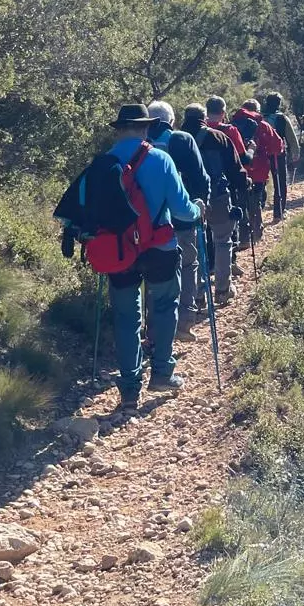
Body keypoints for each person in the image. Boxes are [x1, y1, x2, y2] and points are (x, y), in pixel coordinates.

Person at [62, 103, 201, 411]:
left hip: (118, 251)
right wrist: (198, 209)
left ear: (120, 129)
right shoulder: (160, 159)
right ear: (146, 127)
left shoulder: (102, 163)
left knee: (127, 317)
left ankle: (128, 388)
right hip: (159, 248)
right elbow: (181, 209)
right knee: (164, 305)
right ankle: (162, 371)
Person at [147, 101, 211, 340]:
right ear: (171, 121)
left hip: (150, 223)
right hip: (184, 217)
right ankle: (184, 324)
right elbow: (201, 177)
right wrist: (200, 205)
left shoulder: (141, 143)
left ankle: (154, 327)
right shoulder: (183, 140)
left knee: (154, 273)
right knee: (188, 265)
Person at [183, 102, 247, 301]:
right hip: (218, 197)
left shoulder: (177, 139)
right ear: (204, 117)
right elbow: (236, 169)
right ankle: (222, 290)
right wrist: (243, 186)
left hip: (188, 200)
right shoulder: (219, 137)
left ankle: (199, 293)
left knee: (193, 246)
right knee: (222, 241)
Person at [205, 95, 252, 268]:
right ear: (223, 112)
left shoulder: (198, 131)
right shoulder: (230, 131)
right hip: (228, 183)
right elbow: (243, 159)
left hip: (204, 184)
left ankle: (211, 262)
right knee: (228, 221)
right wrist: (252, 150)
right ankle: (230, 263)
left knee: (208, 225)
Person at [231, 100, 285, 240]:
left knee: (241, 200)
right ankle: (256, 232)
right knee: (257, 197)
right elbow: (277, 147)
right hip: (259, 170)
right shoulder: (263, 125)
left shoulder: (232, 125)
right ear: (257, 110)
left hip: (239, 170)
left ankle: (243, 237)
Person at [262, 91, 301, 222]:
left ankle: (258, 211)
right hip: (277, 154)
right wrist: (295, 154)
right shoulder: (282, 118)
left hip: (261, 155)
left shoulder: (260, 118)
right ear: (278, 103)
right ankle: (278, 213)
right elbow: (291, 138)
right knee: (280, 182)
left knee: (261, 182)